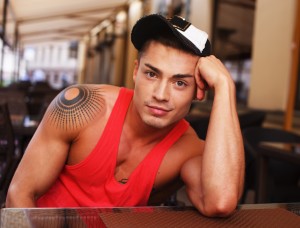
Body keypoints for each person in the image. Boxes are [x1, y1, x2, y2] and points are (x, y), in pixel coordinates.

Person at [6, 14, 244, 217]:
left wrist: (225, 87)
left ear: (199, 90)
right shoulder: (81, 107)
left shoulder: (188, 149)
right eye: (152, 74)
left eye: (180, 82)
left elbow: (220, 202)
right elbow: (19, 195)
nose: (161, 94)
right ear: (135, 71)